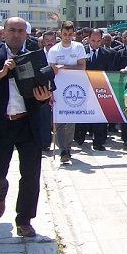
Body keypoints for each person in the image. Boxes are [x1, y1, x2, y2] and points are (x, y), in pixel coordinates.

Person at [0, 17, 53, 237]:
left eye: (21, 30)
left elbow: (47, 81)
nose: (16, 34)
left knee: (31, 174)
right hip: (0, 123)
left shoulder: (36, 52)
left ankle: (24, 220)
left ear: (27, 33)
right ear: (3, 32)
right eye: (12, 30)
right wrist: (0, 74)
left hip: (28, 122)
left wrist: (44, 97)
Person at [47, 21, 88, 163]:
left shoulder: (79, 47)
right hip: (58, 89)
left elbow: (82, 67)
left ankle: (67, 149)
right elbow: (51, 71)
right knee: (59, 120)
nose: (67, 37)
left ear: (74, 34)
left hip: (74, 88)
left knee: (71, 120)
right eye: (65, 34)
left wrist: (64, 67)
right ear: (60, 33)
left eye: (70, 34)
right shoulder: (54, 50)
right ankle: (61, 148)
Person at [74, 29, 114, 151]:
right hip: (83, 87)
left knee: (100, 115)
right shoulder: (81, 52)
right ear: (88, 38)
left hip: (100, 88)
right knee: (82, 113)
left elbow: (110, 72)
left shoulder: (108, 54)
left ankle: (98, 141)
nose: (95, 43)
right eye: (93, 40)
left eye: (98, 40)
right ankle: (79, 137)